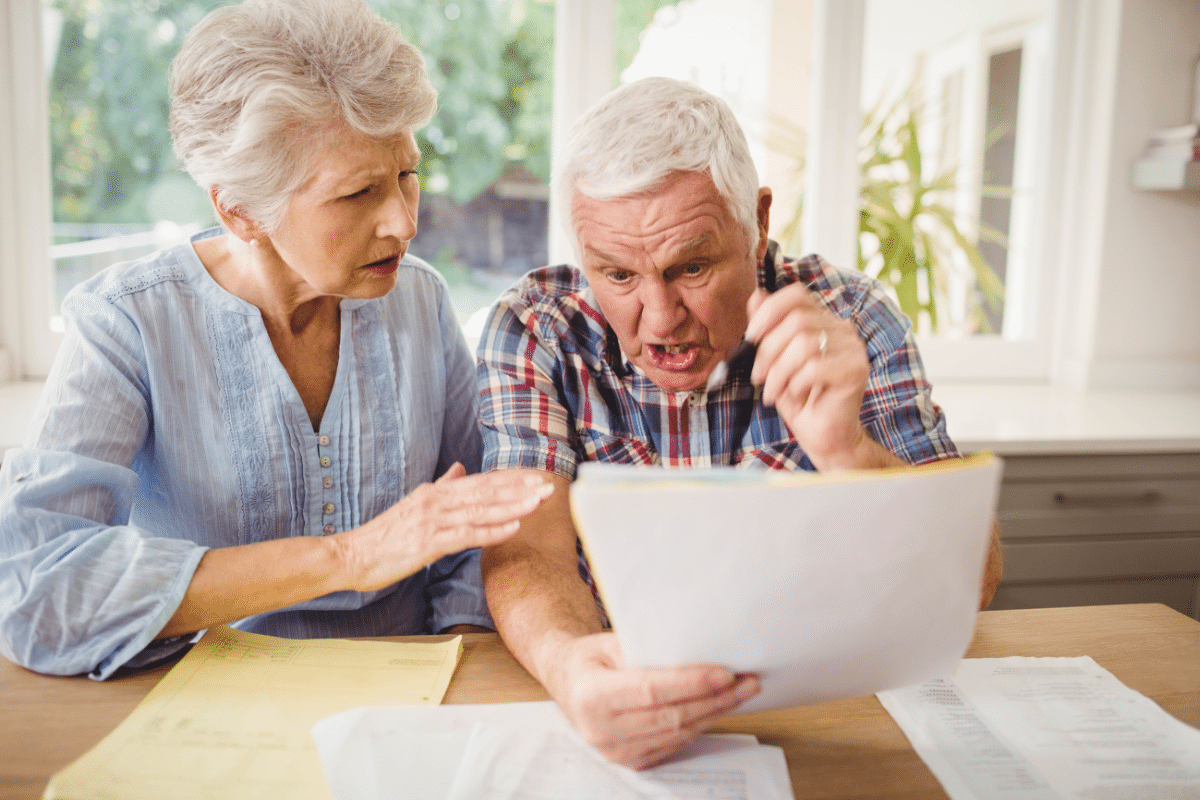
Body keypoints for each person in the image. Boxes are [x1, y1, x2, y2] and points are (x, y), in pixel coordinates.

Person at [0, 0, 553, 680]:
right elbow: (37, 589)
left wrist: (455, 661)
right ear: (240, 209)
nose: (404, 223)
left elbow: (477, 531)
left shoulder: (420, 298)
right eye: (359, 194)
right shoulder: (127, 324)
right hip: (209, 698)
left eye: (407, 174)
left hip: (415, 687)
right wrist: (349, 557)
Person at [476, 76, 1003, 769]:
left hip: (830, 713)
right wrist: (570, 666)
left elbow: (976, 577)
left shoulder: (849, 316)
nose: (660, 320)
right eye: (619, 276)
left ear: (755, 225)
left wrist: (848, 450)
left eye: (690, 266)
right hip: (625, 715)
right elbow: (527, 552)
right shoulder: (538, 328)